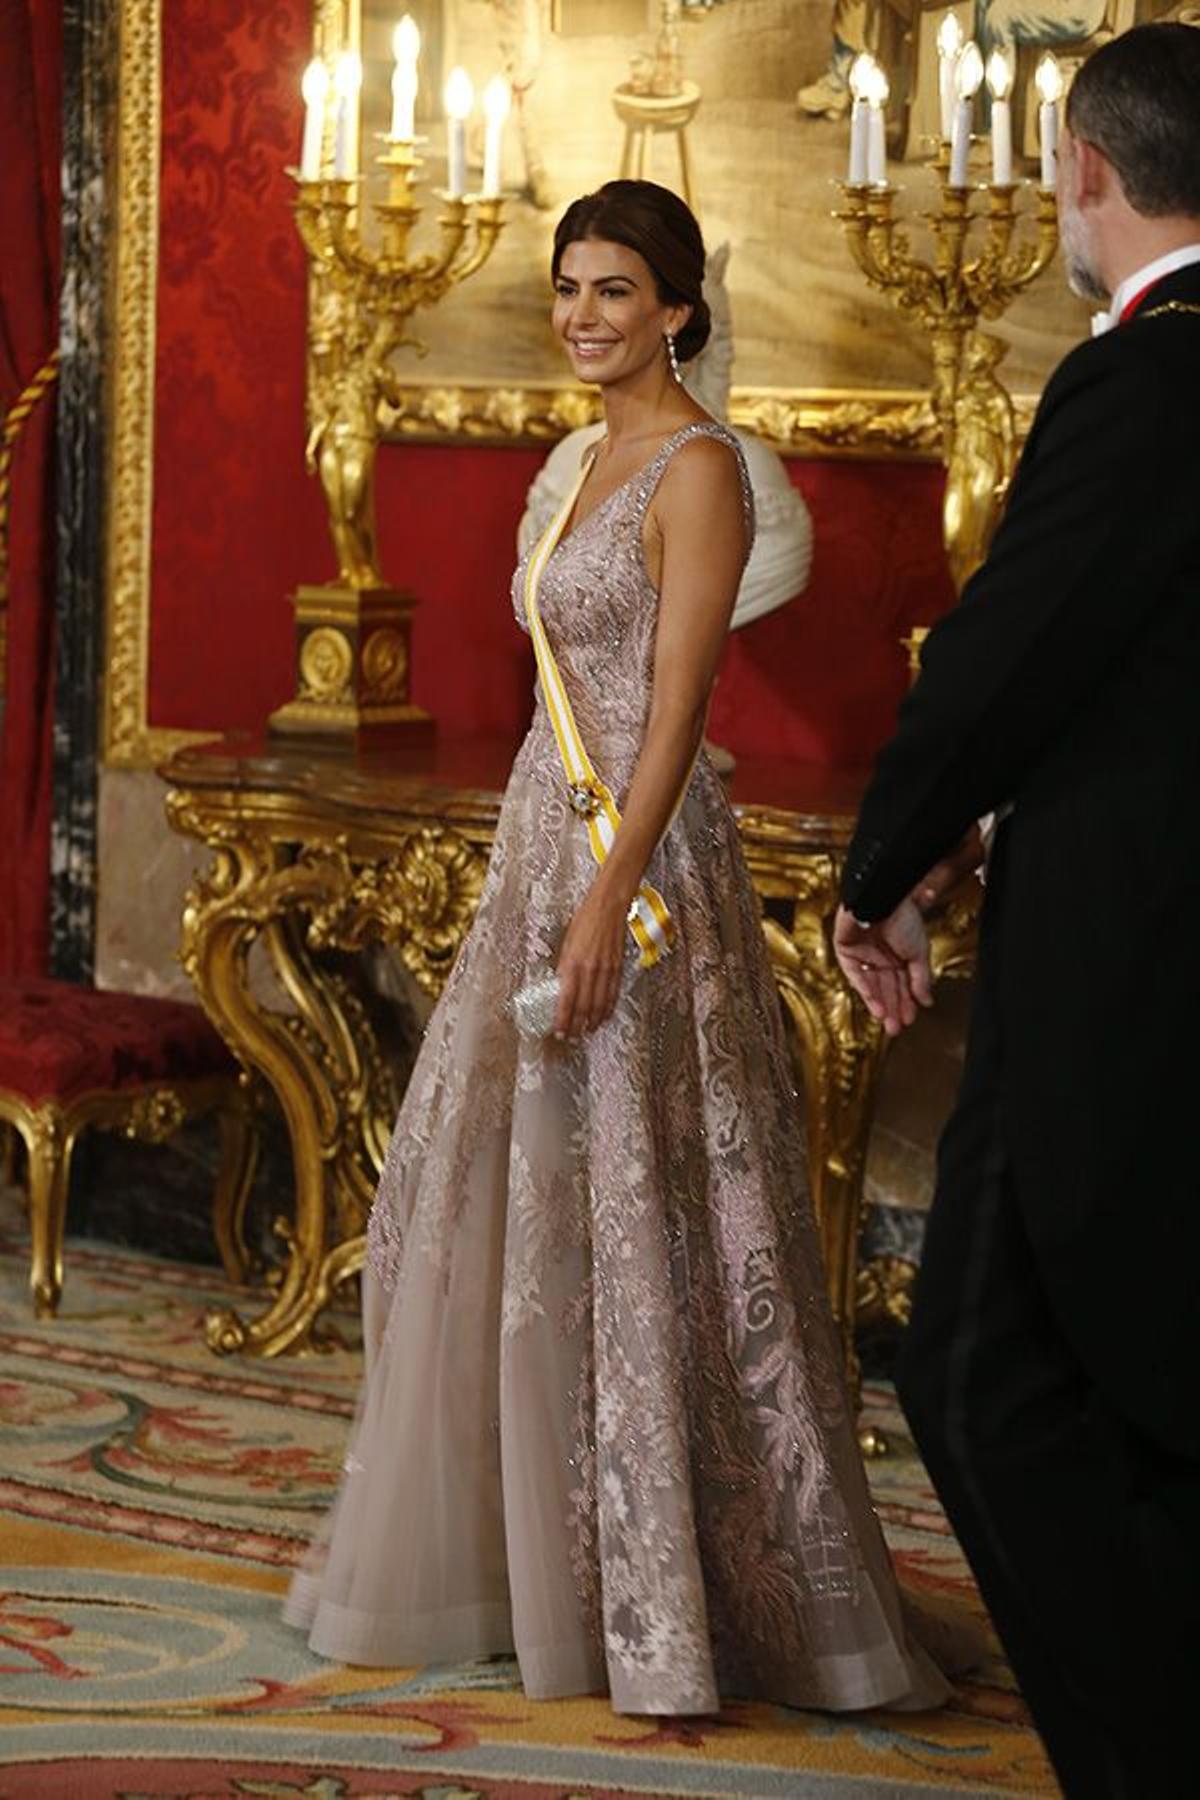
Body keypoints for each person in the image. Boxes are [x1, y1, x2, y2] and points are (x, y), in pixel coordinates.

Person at [286, 177, 968, 1717]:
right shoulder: (587, 458)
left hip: (644, 880)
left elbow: (675, 716)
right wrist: (549, 875)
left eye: (613, 291)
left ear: (677, 307)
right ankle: (551, 1569)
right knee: (497, 1203)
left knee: (653, 1213)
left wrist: (608, 901)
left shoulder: (701, 471)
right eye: (568, 289)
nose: (584, 317)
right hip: (545, 846)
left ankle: (672, 1599)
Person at [833, 24, 1200, 1796]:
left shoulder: (1147, 374)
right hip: (1137, 956)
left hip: (1123, 974)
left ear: (1083, 169)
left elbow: (1009, 651)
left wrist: (881, 863)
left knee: (1002, 1383)